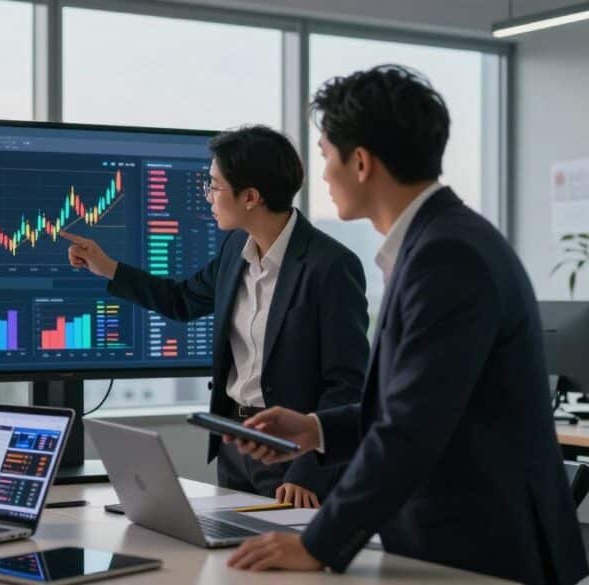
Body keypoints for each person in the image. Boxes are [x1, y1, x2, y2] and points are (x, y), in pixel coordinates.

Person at [226, 65, 589, 585]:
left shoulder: (447, 255)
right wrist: (316, 429)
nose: (322, 175)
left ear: (360, 163)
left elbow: (412, 428)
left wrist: (317, 544)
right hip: (455, 545)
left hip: (488, 554)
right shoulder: (435, 243)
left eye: (326, 155)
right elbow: (412, 403)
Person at [61, 125, 369, 507]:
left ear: (251, 197)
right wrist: (108, 268)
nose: (207, 196)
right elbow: (182, 300)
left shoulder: (331, 266)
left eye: (214, 186)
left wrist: (308, 470)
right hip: (234, 446)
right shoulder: (235, 248)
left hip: (292, 460)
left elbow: (346, 383)